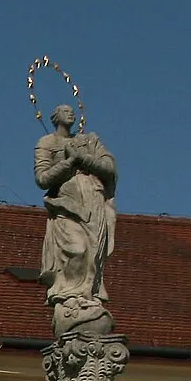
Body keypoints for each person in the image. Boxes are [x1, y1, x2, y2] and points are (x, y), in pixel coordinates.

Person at [34, 103, 119, 337]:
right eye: (64, 110)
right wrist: (70, 163)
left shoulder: (90, 140)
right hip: (66, 205)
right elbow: (42, 178)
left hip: (94, 201)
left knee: (93, 254)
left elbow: (109, 168)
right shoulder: (47, 143)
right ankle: (70, 298)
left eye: (72, 110)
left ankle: (87, 296)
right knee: (77, 249)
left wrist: (82, 157)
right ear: (54, 117)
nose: (70, 112)